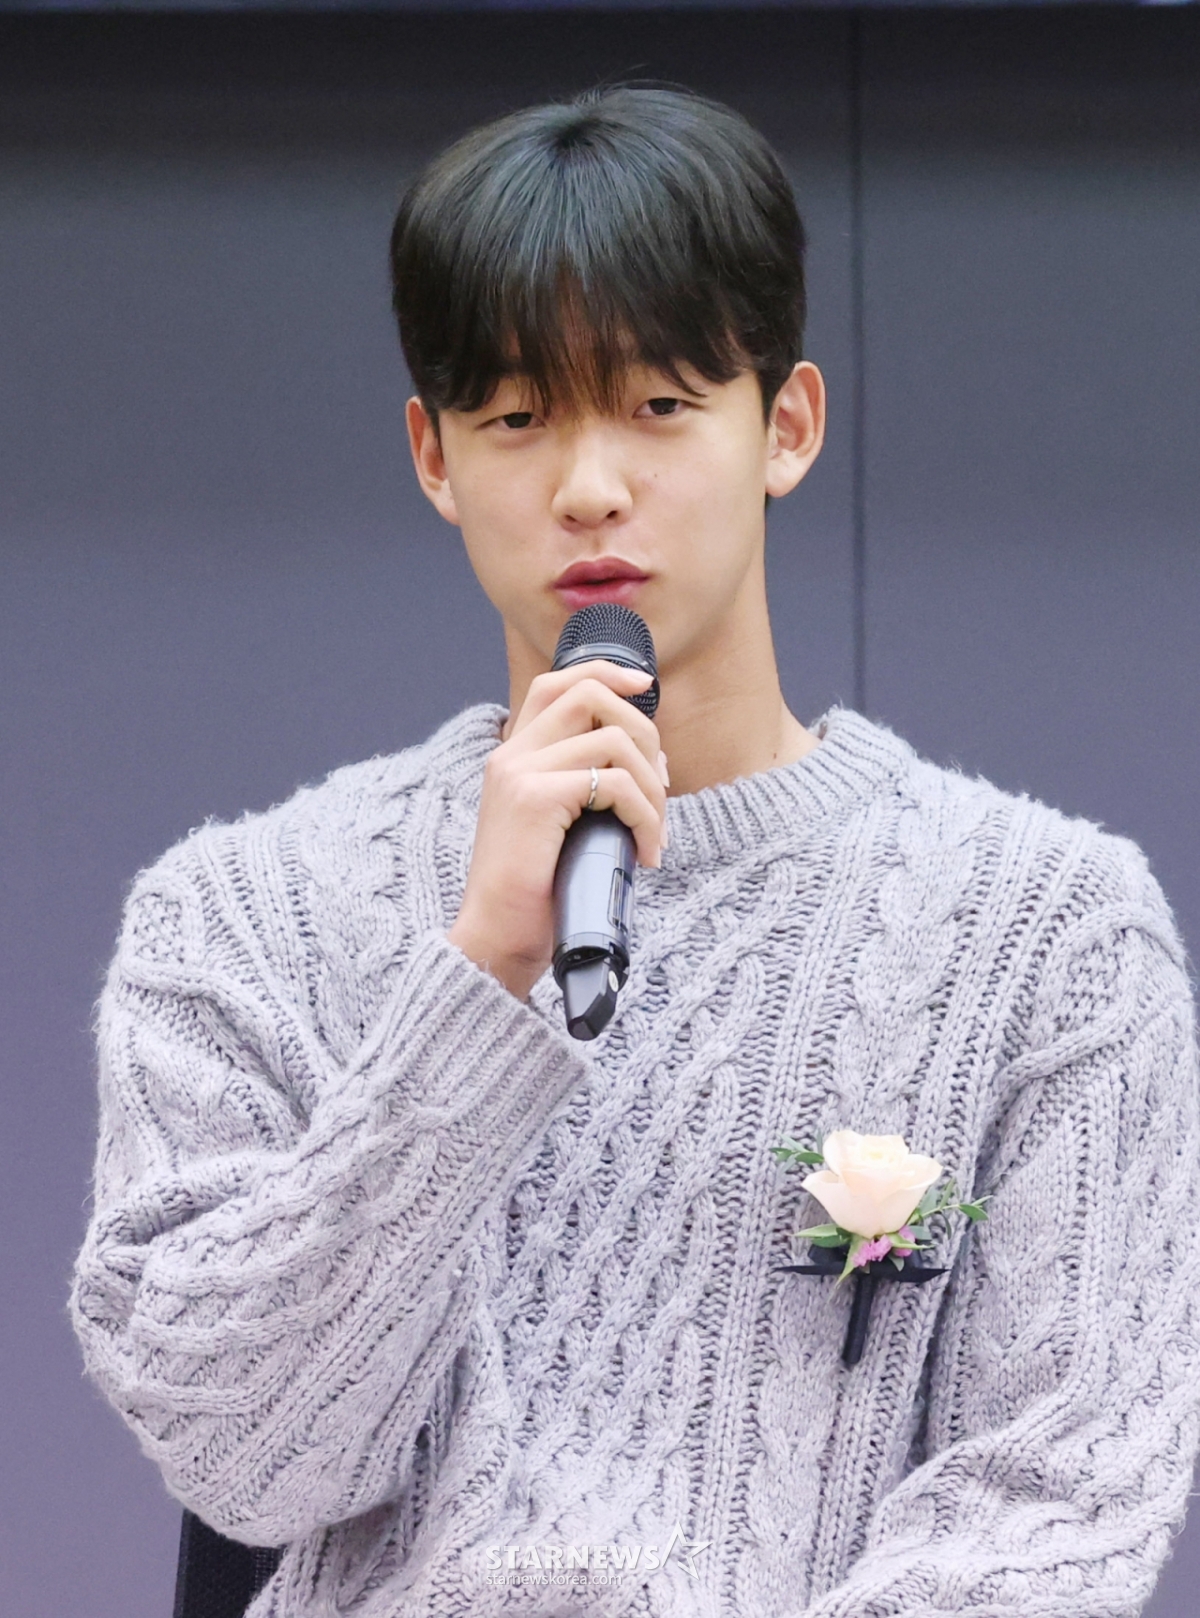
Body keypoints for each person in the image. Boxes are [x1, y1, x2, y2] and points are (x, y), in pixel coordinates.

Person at [69, 86, 1200, 1618]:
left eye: (660, 405)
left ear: (783, 425)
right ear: (433, 457)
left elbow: (1056, 1497)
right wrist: (476, 979)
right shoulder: (239, 913)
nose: (589, 483)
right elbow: (242, 1454)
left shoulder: (1055, 929)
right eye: (517, 417)